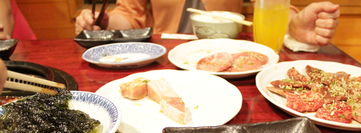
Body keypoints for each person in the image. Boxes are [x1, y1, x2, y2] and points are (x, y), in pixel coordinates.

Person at [75, 0, 339, 46]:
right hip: (167, 53)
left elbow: (272, 5)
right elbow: (129, 15)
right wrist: (106, 20)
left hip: (228, 53)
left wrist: (292, 26)